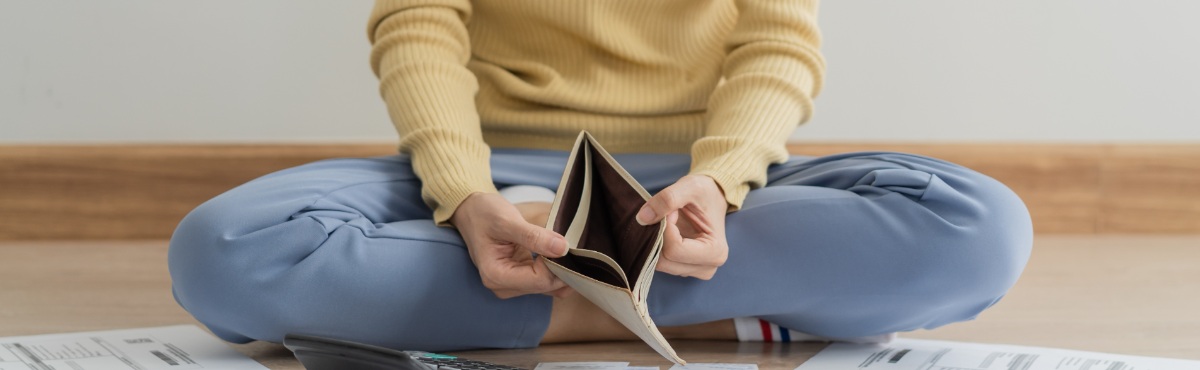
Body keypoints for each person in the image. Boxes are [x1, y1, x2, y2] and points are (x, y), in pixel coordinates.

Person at [168, 0, 1033, 352]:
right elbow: (418, 25)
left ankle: (553, 297)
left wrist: (723, 183)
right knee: (220, 251)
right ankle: (693, 305)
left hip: (699, 180)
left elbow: (778, 42)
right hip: (488, 166)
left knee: (979, 226)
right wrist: (466, 195)